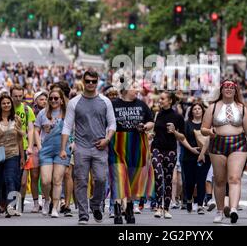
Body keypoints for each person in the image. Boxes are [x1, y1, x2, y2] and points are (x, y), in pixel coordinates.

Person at [60, 70, 116, 225]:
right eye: (88, 81)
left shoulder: (105, 101)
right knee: (81, 181)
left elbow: (112, 124)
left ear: (97, 82)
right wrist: (63, 148)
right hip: (81, 147)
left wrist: (107, 139)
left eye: (93, 81)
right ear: (83, 82)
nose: (91, 84)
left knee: (100, 179)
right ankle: (83, 214)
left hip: (100, 147)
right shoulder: (74, 102)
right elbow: (67, 126)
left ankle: (96, 203)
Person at [201, 79, 247, 224]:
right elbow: (203, 129)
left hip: (238, 144)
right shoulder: (212, 107)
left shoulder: (243, 108)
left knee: (234, 178)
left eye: (231, 87)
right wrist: (210, 131)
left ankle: (233, 208)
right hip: (217, 144)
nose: (228, 90)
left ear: (235, 90)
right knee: (220, 180)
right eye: (225, 87)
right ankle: (220, 210)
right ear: (221, 90)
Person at [109, 82, 154, 224]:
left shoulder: (141, 104)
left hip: (136, 144)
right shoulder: (113, 104)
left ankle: (128, 206)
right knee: (118, 176)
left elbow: (151, 121)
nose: (138, 90)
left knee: (132, 177)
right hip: (117, 143)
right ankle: (116, 208)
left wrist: (145, 126)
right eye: (134, 87)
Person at [151, 91, 198, 220]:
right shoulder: (157, 114)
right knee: (158, 176)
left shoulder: (177, 117)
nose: (160, 101)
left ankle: (166, 208)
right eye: (160, 99)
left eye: (162, 99)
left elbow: (183, 136)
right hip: (156, 148)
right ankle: (158, 207)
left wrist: (174, 132)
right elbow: (155, 131)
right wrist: (151, 134)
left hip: (170, 150)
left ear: (170, 101)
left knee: (167, 178)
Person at [0, 94, 24, 217]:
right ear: (0, 105)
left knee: (10, 179)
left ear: (11, 105)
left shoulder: (17, 119)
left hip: (12, 153)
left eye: (8, 103)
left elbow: (20, 138)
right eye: (4, 103)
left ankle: (11, 206)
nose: (6, 105)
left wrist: (22, 157)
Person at [35, 88, 71, 218]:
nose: (53, 101)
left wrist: (73, 143)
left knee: (57, 180)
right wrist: (39, 146)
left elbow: (76, 129)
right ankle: (46, 200)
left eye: (56, 98)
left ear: (61, 100)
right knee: (45, 181)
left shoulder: (68, 114)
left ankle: (55, 207)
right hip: (46, 150)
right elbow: (36, 130)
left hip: (62, 150)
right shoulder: (42, 113)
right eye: (51, 98)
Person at [182, 103, 211, 215]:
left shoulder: (206, 125)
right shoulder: (186, 124)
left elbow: (209, 139)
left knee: (201, 180)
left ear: (203, 111)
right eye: (195, 109)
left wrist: (202, 153)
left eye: (199, 109)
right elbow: (182, 139)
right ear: (191, 111)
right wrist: (191, 149)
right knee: (189, 181)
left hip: (204, 156)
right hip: (189, 156)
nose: (197, 110)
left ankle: (200, 205)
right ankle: (189, 199)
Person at [11, 84, 36, 212]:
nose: (18, 98)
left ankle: (18, 205)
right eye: (15, 96)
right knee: (10, 178)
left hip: (24, 148)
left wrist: (30, 146)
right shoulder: (6, 108)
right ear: (11, 95)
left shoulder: (27, 110)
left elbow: (31, 129)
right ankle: (8, 204)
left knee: (22, 182)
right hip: (8, 148)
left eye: (20, 96)